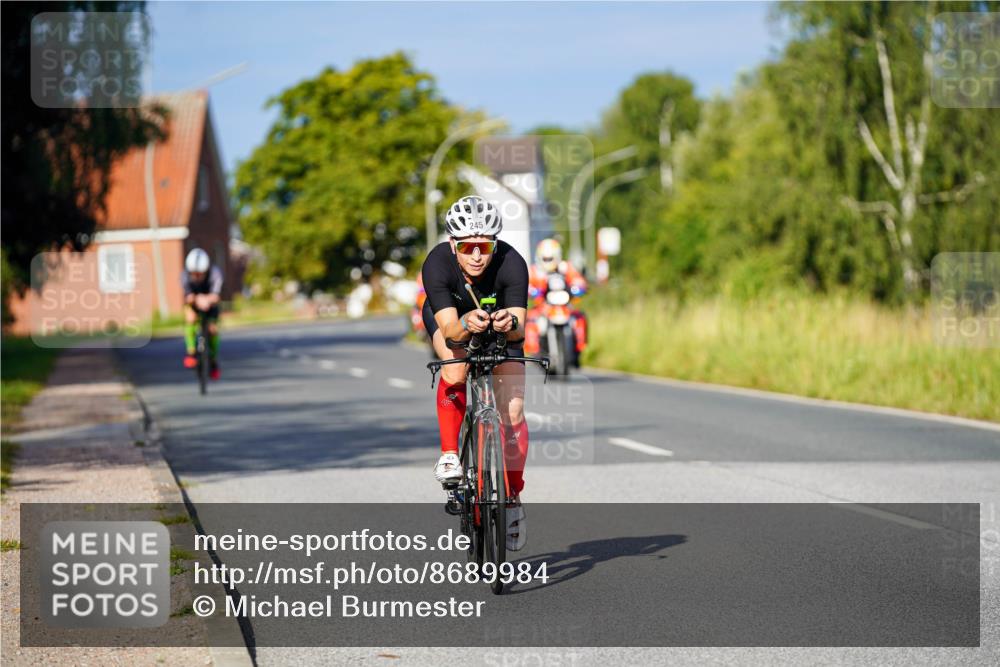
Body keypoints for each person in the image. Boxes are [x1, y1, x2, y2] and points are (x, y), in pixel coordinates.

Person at [421, 195, 530, 550]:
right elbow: (451, 331)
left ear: (494, 243)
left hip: (497, 326)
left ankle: (511, 497)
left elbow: (520, 330)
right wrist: (468, 321)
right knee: (455, 371)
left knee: (512, 411)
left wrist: (508, 322)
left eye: (484, 246)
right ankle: (451, 454)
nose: (477, 255)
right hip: (451, 318)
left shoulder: (512, 262)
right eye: (468, 247)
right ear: (454, 245)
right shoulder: (437, 263)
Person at [526, 238, 588, 364]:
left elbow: (578, 280)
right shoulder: (534, 271)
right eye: (545, 258)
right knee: (529, 321)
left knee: (580, 318)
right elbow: (527, 285)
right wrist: (532, 291)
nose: (548, 262)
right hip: (542, 308)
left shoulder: (566, 267)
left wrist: (579, 287)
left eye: (551, 258)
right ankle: (535, 352)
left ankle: (577, 351)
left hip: (564, 306)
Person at [181, 248, 223, 380]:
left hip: (211, 304)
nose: (197, 277)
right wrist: (197, 299)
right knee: (190, 318)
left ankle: (213, 360)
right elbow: (188, 296)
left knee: (213, 329)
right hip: (194, 303)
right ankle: (191, 352)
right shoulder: (184, 275)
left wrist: (207, 300)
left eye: (200, 274)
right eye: (194, 274)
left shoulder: (215, 273)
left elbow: (216, 296)